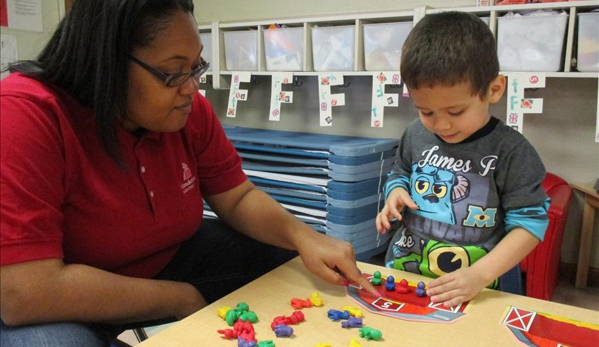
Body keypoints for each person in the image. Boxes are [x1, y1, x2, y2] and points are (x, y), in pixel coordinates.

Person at [0, 1, 376, 345]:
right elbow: (27, 293)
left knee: (286, 262)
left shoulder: (187, 110)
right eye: (173, 72)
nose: (193, 87)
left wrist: (304, 236)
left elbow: (237, 197)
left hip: (164, 260)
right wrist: (180, 297)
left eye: (195, 66)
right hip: (50, 296)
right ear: (106, 64)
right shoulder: (24, 116)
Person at [375, 11, 550, 308]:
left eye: (456, 112)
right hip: (407, 276)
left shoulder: (512, 151)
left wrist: (480, 275)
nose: (441, 125)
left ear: (493, 90)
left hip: (478, 288)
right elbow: (400, 172)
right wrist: (395, 192)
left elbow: (529, 226)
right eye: (426, 111)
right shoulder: (415, 134)